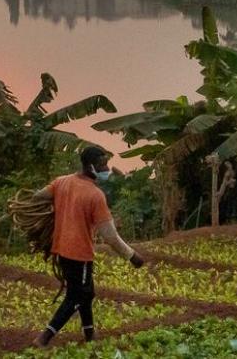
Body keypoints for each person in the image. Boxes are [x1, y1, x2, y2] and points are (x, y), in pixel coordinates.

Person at [31, 145, 144, 347]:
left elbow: (39, 196)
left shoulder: (62, 182)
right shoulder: (95, 195)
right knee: (77, 296)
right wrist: (132, 256)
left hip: (62, 249)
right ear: (91, 166)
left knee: (87, 292)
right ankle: (44, 338)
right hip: (79, 253)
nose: (106, 169)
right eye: (102, 165)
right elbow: (110, 236)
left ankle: (89, 334)